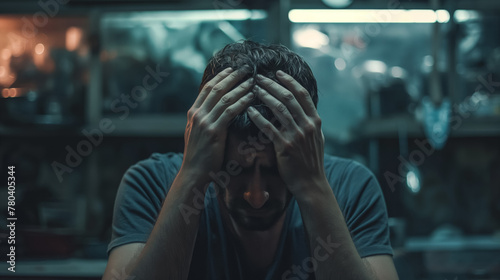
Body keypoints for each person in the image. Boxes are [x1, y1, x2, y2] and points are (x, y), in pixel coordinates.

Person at [102, 40, 399, 280]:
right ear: (205, 145)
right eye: (235, 170)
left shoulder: (351, 188)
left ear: (306, 146)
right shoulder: (151, 184)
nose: (256, 196)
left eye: (275, 171)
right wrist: (193, 174)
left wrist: (311, 184)